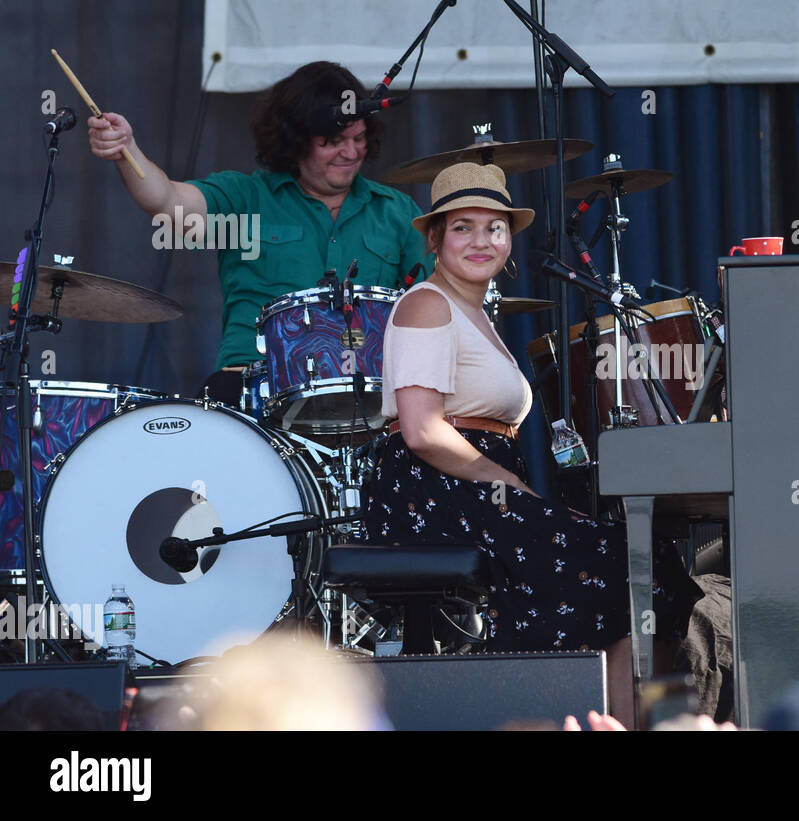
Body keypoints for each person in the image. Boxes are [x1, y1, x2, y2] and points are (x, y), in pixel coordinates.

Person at [360, 162, 694, 722]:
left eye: (494, 227)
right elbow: (421, 429)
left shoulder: (475, 312)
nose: (480, 239)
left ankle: (615, 717)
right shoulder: (427, 303)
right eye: (462, 226)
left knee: (642, 563)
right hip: (434, 493)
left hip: (472, 488)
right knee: (621, 562)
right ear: (435, 237)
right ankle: (540, 707)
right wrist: (504, 479)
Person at [87, 61, 431, 404]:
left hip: (369, 389)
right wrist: (126, 150)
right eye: (333, 141)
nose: (351, 152)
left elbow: (432, 306)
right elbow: (167, 202)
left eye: (359, 139)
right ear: (296, 140)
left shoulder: (397, 212)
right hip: (255, 387)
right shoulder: (246, 198)